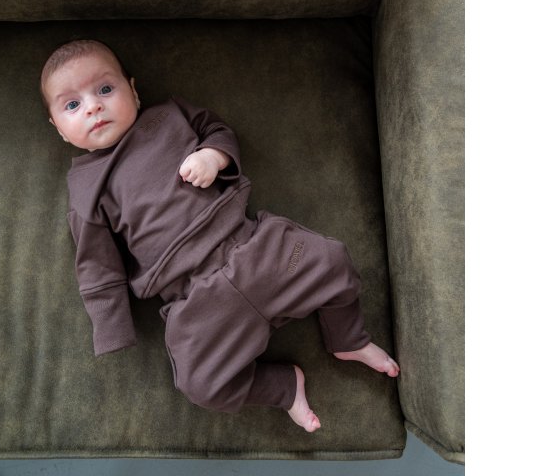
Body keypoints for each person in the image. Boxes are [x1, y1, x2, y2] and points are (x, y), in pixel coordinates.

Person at [41, 39, 399, 432]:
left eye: (105, 89)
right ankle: (283, 387)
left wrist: (212, 156)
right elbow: (96, 266)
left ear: (134, 92)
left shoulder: (170, 116)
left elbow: (217, 130)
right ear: (58, 129)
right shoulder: (85, 189)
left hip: (252, 248)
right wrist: (112, 328)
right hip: (195, 299)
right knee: (200, 385)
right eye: (71, 105)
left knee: (333, 261)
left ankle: (347, 338)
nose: (93, 106)